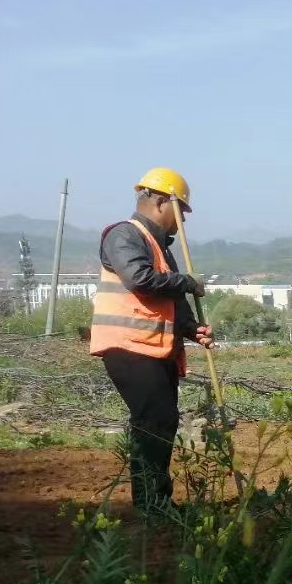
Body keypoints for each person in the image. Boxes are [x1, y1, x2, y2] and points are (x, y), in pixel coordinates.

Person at [90, 168, 214, 513]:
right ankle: (152, 504)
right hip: (127, 346)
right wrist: (186, 282)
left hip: (153, 347)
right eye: (182, 212)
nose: (183, 222)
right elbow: (141, 280)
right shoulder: (124, 235)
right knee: (155, 420)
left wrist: (192, 328)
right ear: (162, 202)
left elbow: (170, 301)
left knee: (162, 420)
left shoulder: (160, 246)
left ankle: (154, 500)